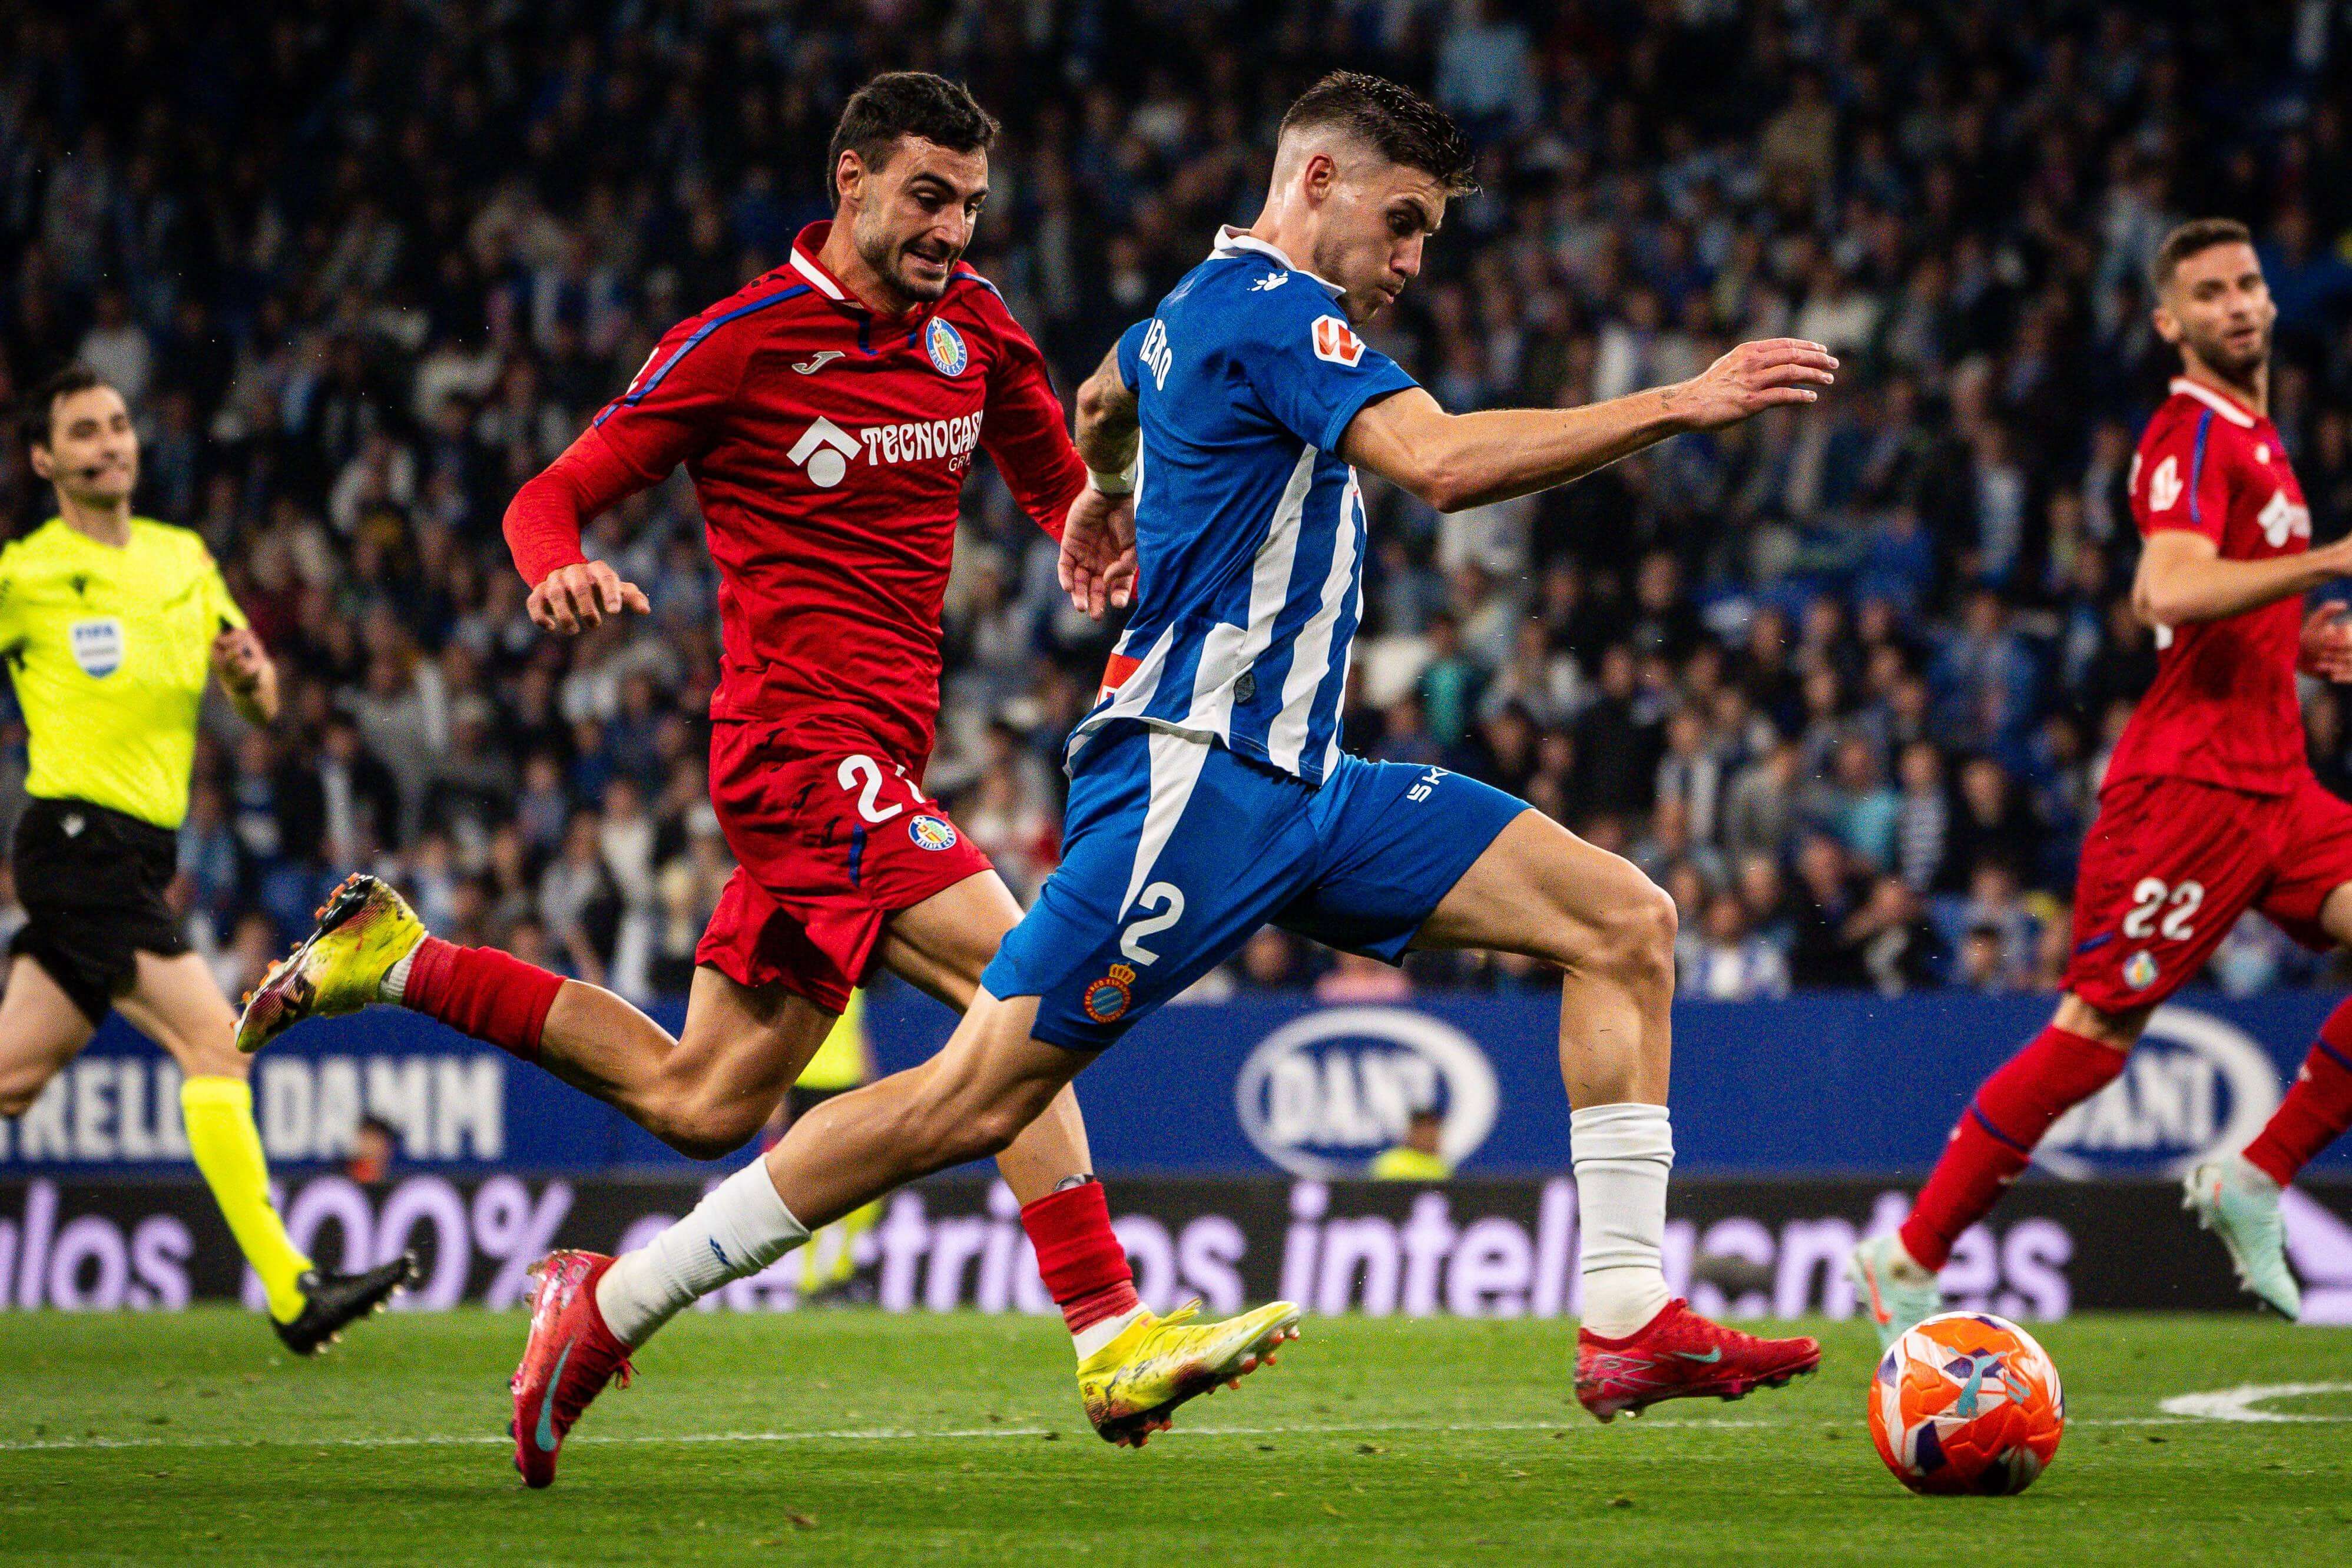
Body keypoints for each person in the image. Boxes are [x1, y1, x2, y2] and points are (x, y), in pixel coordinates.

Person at [535, 71, 1835, 1440]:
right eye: (1401, 225)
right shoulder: (1270, 316)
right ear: (1316, 183)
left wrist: (1097, 493)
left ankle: (1625, 1316)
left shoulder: (1185, 313)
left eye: (1425, 240)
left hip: (1304, 785)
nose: (1407, 262)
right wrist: (1681, 401)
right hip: (1188, 782)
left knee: (1623, 918)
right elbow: (1440, 464)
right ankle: (613, 1306)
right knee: (971, 1098)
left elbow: (1101, 395)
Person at [233, 72, 1281, 1482]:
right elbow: (545, 496)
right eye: (925, 196)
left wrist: (1099, 532)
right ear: (846, 180)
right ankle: (1106, 1326)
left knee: (702, 1098)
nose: (951, 231)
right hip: (792, 748)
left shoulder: (970, 328)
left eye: (970, 205)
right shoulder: (740, 344)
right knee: (1025, 975)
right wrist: (559, 570)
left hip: (874, 758)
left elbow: (1057, 483)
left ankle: (405, 963)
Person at [1851, 218, 2352, 1343]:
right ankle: (1909, 1252)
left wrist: (2292, 638)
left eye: (2248, 284)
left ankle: (2256, 1174)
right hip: (2187, 792)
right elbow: (2162, 591)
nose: (2238, 304)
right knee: (2093, 1038)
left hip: (2279, 781)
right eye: (2208, 293)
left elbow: (2220, 601)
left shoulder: (2262, 438)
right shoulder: (2186, 432)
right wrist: (2321, 564)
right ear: (2169, 322)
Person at [0, 366, 413, 1352]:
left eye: (118, 424)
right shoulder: (25, 572)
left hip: (137, 858)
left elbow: (259, 700)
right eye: (84, 433)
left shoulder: (183, 557)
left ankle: (290, 1290)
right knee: (216, 1043)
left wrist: (251, 676)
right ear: (46, 459)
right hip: (73, 843)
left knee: (12, 1079)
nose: (109, 443)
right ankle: (289, 1289)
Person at [1370, 1107, 1452, 1181]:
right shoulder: (1392, 1163)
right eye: (1423, 1131)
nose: (1428, 1137)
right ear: (1411, 1133)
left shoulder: (1442, 1168)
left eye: (1432, 1132)